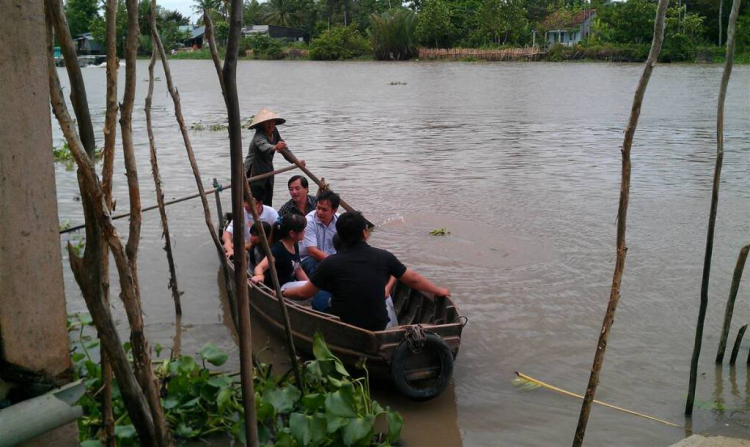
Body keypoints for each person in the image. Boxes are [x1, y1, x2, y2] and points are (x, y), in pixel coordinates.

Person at [283, 211, 451, 332]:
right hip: (378, 324)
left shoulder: (330, 263)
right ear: (364, 233)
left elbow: (305, 293)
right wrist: (439, 290)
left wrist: (282, 293)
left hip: (345, 326)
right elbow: (413, 279)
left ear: (339, 235)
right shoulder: (384, 256)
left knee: (319, 297)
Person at [250, 215, 332, 310]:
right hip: (278, 290)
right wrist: (260, 275)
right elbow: (260, 267)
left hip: (288, 287)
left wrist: (310, 284)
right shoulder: (277, 250)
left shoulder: (294, 245)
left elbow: (298, 269)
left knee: (315, 289)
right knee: (314, 293)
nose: (304, 232)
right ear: (292, 233)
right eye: (302, 231)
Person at [244, 107, 303, 207]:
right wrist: (275, 147)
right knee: (255, 200)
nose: (270, 124)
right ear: (262, 124)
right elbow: (264, 146)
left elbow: (284, 149)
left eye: (272, 121)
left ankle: (267, 220)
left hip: (267, 170)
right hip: (253, 172)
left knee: (267, 198)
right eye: (267, 122)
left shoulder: (274, 132)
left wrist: (297, 161)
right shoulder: (259, 135)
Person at [222, 194, 278, 259]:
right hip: (245, 248)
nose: (245, 205)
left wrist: (238, 246)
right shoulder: (241, 212)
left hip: (265, 248)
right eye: (244, 201)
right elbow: (227, 233)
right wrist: (229, 247)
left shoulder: (271, 213)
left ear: (260, 203)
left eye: (249, 202)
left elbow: (278, 236)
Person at [300, 190, 340, 276]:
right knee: (316, 269)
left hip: (333, 259)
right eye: (318, 208)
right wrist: (336, 263)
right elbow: (312, 251)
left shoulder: (340, 221)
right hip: (310, 258)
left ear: (334, 210)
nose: (320, 212)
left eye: (324, 210)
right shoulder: (309, 221)